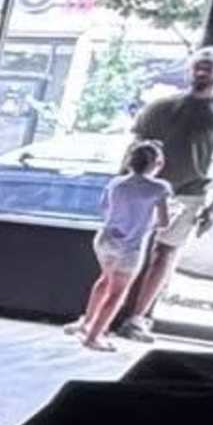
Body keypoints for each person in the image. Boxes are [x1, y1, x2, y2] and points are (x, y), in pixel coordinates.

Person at [118, 46, 213, 335]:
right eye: (197, 66)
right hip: (145, 188)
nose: (201, 72)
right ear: (189, 70)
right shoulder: (160, 106)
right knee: (126, 249)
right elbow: (134, 149)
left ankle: (137, 317)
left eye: (208, 68)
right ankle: (107, 312)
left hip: (189, 192)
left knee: (166, 251)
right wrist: (121, 186)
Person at [73, 141, 171, 351]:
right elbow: (163, 223)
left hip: (105, 240)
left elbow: (105, 208)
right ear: (158, 163)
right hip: (129, 248)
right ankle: (94, 336)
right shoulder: (159, 188)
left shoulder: (116, 183)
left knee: (104, 280)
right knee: (117, 293)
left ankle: (87, 323)